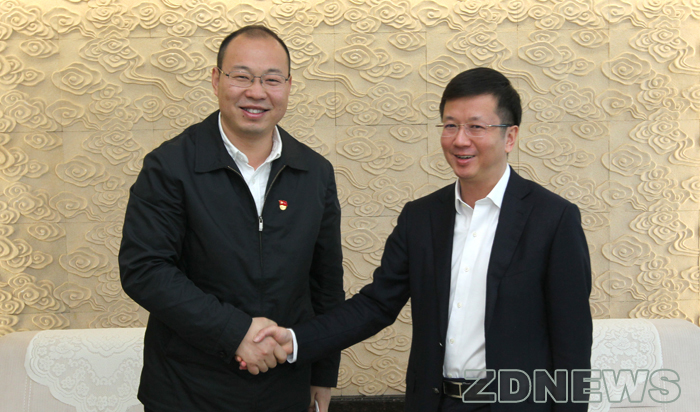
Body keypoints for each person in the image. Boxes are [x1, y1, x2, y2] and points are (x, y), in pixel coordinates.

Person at [252, 68, 593, 412]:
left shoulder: (553, 219)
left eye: (476, 127)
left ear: (510, 136)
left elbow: (572, 344)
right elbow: (375, 305)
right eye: (450, 125)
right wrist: (295, 339)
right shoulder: (421, 217)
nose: (460, 140)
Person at [119, 25, 344, 412]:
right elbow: (145, 269)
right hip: (186, 390)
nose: (256, 92)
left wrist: (323, 372)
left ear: (288, 86)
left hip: (284, 388)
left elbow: (325, 282)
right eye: (241, 76)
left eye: (271, 79)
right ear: (216, 80)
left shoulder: (314, 172)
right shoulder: (170, 166)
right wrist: (235, 331)